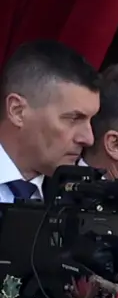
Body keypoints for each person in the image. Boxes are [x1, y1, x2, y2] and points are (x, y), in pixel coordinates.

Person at [0, 40, 100, 203]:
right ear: (17, 111)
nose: (89, 139)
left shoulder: (81, 200)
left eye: (91, 120)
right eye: (74, 118)